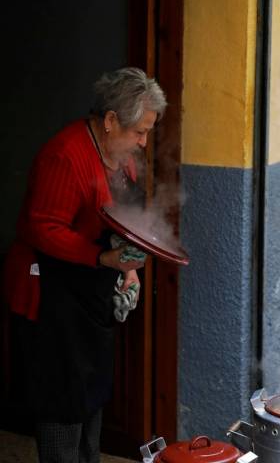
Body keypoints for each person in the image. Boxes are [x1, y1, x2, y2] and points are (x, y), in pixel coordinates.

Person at [2, 67, 166, 463]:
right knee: (63, 401)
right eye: (139, 132)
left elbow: (121, 221)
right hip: (50, 295)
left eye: (147, 132)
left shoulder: (120, 158)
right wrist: (101, 257)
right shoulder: (65, 156)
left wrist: (126, 268)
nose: (144, 143)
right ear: (110, 121)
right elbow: (43, 228)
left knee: (91, 394)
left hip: (89, 293)